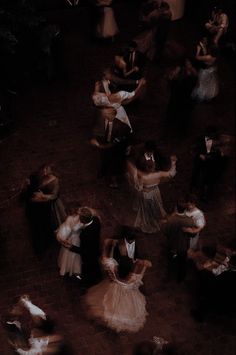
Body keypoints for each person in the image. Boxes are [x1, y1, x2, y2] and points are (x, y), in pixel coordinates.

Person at [84, 241, 152, 332]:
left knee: (110, 304)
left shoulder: (115, 275)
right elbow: (143, 270)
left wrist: (107, 245)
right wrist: (142, 264)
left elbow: (105, 260)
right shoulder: (133, 280)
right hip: (126, 292)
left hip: (115, 288)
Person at [127, 155, 177, 233]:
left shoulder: (143, 177)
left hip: (146, 195)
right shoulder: (159, 174)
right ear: (153, 167)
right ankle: (155, 221)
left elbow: (138, 187)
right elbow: (171, 173)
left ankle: (149, 224)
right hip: (155, 193)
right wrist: (173, 163)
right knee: (155, 208)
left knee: (147, 211)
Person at [24, 164, 66, 255]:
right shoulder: (36, 177)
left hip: (49, 205)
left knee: (53, 221)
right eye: (43, 171)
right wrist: (27, 185)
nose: (45, 172)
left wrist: (43, 197)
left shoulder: (54, 180)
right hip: (38, 207)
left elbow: (54, 196)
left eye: (47, 171)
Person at [91, 107, 132, 188]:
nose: (103, 115)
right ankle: (103, 173)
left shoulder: (121, 126)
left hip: (116, 149)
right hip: (106, 146)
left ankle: (114, 181)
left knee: (114, 165)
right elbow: (98, 131)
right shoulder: (102, 121)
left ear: (112, 114)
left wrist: (99, 145)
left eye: (106, 113)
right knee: (104, 160)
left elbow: (114, 143)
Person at [67, 207, 102, 287]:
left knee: (88, 268)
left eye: (80, 218)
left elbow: (85, 250)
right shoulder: (96, 220)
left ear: (83, 220)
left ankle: (88, 283)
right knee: (95, 263)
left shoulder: (86, 234)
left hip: (89, 255)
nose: (79, 219)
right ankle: (97, 275)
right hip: (96, 248)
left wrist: (72, 247)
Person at [163, 200, 195, 282]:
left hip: (172, 245)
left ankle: (169, 276)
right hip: (183, 246)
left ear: (176, 208)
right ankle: (180, 278)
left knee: (171, 260)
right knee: (182, 262)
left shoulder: (170, 220)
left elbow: (165, 232)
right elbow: (192, 234)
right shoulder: (190, 221)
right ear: (185, 210)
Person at [190, 126, 224, 201]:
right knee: (195, 174)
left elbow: (217, 153)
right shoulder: (199, 139)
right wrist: (199, 155)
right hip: (199, 160)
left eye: (214, 134)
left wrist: (214, 156)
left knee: (207, 178)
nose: (213, 136)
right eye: (211, 134)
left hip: (210, 163)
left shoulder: (217, 141)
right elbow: (193, 149)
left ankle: (204, 195)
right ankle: (192, 189)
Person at [56, 208, 82, 278]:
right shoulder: (79, 218)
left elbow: (66, 230)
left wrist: (63, 238)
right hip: (76, 239)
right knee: (75, 254)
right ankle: (74, 269)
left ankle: (69, 269)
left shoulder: (69, 218)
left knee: (71, 254)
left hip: (74, 238)